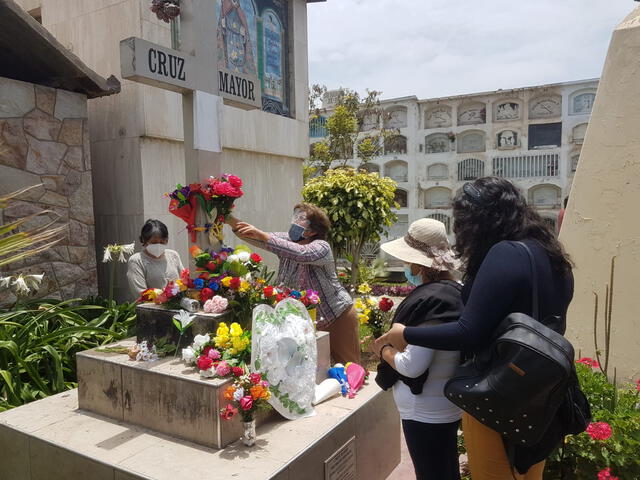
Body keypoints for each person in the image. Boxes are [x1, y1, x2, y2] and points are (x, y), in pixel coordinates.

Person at [375, 177, 574, 480]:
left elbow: (468, 331)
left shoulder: (505, 253)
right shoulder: (550, 254)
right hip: (543, 393)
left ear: (478, 221)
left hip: (498, 391)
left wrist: (405, 333)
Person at [374, 218, 463, 480]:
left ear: (418, 263)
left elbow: (412, 366)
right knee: (446, 470)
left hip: (424, 409)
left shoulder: (432, 301)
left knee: (432, 473)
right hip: (445, 402)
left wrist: (382, 350)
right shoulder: (456, 291)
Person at [227, 203, 360, 364]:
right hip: (307, 322)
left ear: (312, 231)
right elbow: (253, 235)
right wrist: (227, 218)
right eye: (296, 216)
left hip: (337, 316)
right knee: (313, 369)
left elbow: (301, 253)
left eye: (301, 219)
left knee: (349, 366)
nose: (295, 222)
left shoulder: (321, 247)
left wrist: (263, 236)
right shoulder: (287, 240)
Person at [127, 219, 185, 299]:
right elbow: (140, 294)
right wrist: (162, 297)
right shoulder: (136, 261)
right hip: (151, 308)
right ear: (144, 241)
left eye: (162, 242)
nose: (158, 245)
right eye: (154, 242)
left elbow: (184, 281)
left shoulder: (173, 255)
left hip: (177, 306)